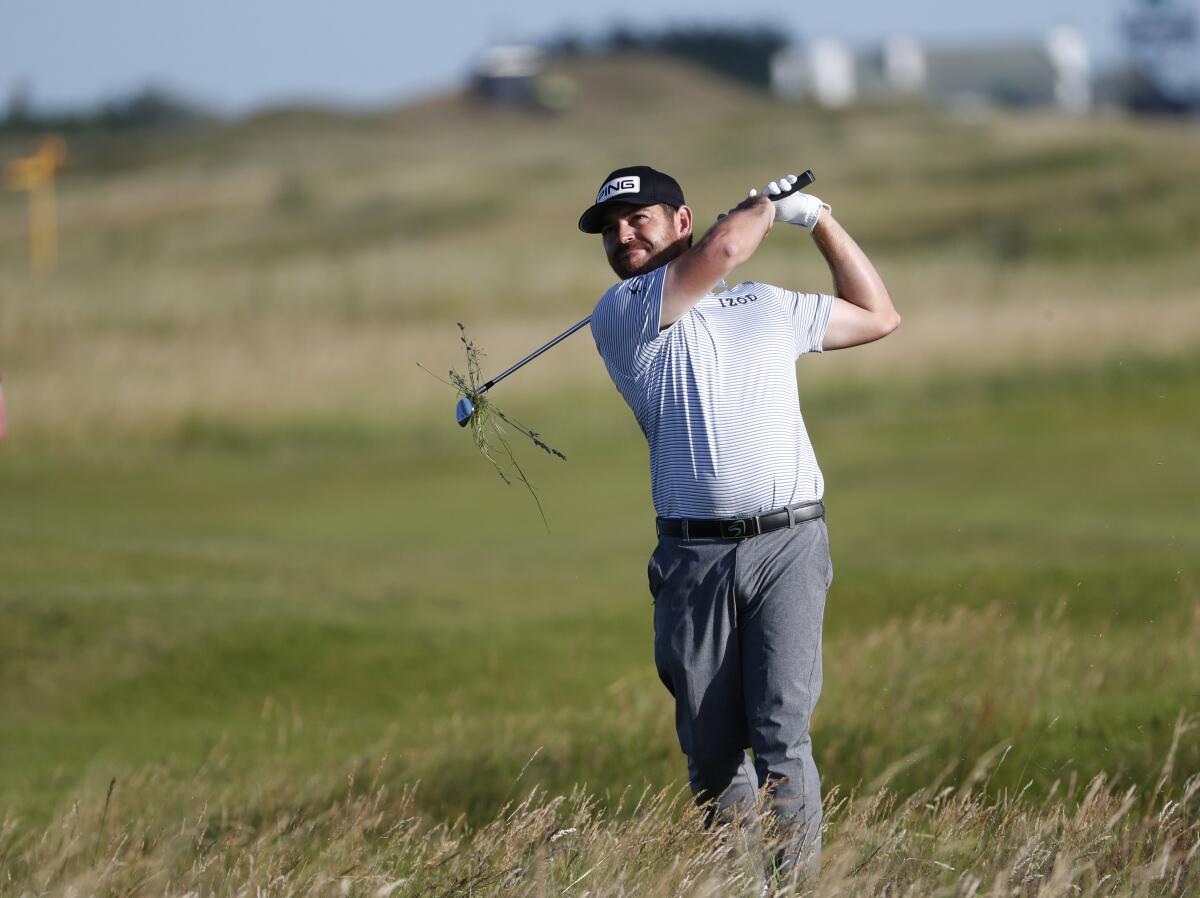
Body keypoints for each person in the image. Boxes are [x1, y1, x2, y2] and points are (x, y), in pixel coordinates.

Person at [581, 165, 899, 881]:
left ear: (682, 220)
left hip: (789, 544)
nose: (622, 237)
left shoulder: (764, 302)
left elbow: (878, 314)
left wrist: (815, 217)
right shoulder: (623, 310)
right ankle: (740, 886)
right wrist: (765, 205)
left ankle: (798, 888)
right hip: (693, 560)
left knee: (782, 734)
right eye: (610, 229)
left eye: (638, 220)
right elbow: (723, 252)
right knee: (715, 750)